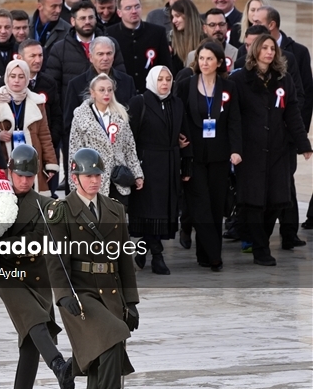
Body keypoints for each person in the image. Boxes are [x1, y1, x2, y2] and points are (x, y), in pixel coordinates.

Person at [43, 148, 140, 389]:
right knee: (113, 335)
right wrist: (62, 295)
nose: (95, 180)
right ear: (74, 178)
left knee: (102, 358)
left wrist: (131, 301)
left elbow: (125, 260)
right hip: (80, 295)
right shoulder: (62, 211)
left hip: (110, 293)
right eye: (88, 176)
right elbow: (55, 259)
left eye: (98, 175)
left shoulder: (114, 209)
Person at [0, 144, 75, 389]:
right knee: (35, 320)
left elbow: (47, 240)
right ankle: (57, 365)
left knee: (30, 344)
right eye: (19, 175)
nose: (25, 181)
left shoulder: (46, 205)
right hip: (7, 273)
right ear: (9, 172)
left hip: (37, 276)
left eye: (30, 176)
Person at [229, 35, 312, 266]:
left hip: (278, 148)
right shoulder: (240, 80)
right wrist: (234, 148)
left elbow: (292, 113)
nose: (269, 52)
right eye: (264, 48)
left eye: (272, 48)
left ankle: (261, 242)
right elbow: (234, 118)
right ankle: (260, 248)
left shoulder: (283, 79)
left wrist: (303, 144)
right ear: (255, 51)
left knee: (277, 200)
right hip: (250, 149)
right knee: (253, 201)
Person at [176, 42, 242, 271]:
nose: (204, 63)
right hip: (193, 154)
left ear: (219, 62)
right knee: (199, 204)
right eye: (201, 58)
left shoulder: (228, 87)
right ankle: (215, 255)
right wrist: (179, 138)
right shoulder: (186, 85)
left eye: (209, 59)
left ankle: (206, 255)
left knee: (215, 205)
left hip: (219, 155)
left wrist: (236, 150)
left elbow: (234, 120)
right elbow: (178, 115)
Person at [127, 66, 184, 275]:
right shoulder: (139, 102)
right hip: (147, 164)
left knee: (161, 212)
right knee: (150, 211)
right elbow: (129, 137)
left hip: (169, 163)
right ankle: (157, 256)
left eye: (168, 79)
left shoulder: (176, 103)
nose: (165, 83)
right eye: (160, 79)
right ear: (152, 80)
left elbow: (182, 133)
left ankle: (143, 248)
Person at [67, 73, 143, 206]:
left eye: (110, 90)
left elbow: (129, 147)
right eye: (101, 90)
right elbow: (74, 151)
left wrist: (137, 174)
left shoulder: (120, 116)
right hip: (93, 178)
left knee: (118, 220)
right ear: (92, 93)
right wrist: (75, 182)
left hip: (118, 178)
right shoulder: (80, 118)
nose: (106, 93)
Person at [0, 59, 58, 191]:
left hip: (30, 157)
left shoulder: (37, 101)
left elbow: (44, 134)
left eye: (21, 77)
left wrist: (50, 164)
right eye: (12, 76)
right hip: (6, 158)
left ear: (27, 79)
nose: (16, 80)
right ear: (6, 77)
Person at [105, 0, 172, 93]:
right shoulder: (109, 34)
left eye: (137, 7)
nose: (134, 11)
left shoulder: (157, 33)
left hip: (151, 93)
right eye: (128, 8)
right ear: (119, 13)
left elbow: (166, 66)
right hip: (121, 93)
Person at [169, 0, 203, 73]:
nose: (173, 21)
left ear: (188, 16)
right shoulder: (171, 42)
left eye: (177, 16)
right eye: (173, 17)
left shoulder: (204, 39)